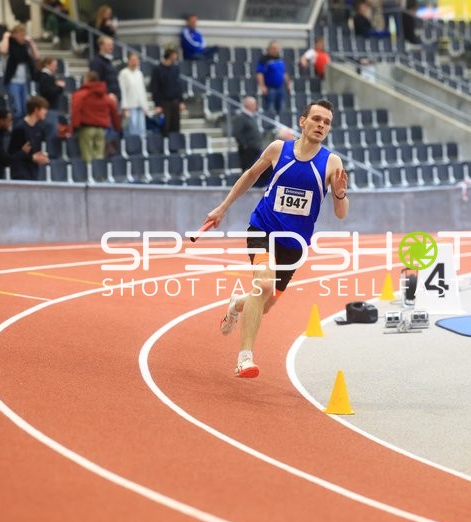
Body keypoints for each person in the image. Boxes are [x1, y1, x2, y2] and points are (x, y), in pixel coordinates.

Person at [205, 99, 349, 378]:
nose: (321, 125)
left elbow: (341, 213)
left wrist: (341, 194)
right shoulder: (278, 149)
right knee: (264, 285)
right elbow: (250, 175)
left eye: (327, 122)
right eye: (317, 119)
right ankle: (244, 358)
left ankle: (236, 304)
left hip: (294, 246)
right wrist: (222, 208)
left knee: (266, 303)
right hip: (263, 229)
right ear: (302, 121)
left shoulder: (331, 162)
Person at [70, 71, 122, 163]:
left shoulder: (81, 94)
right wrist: (117, 127)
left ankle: (89, 175)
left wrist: (74, 126)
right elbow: (114, 112)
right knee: (99, 155)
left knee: (87, 156)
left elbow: (75, 110)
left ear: (87, 80)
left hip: (86, 128)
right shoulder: (105, 96)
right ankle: (98, 175)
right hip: (101, 130)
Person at [0, 24, 39, 122]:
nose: (22, 37)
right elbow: (3, 50)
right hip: (13, 81)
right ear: (14, 35)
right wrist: (6, 37)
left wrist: (31, 42)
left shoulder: (24, 48)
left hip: (24, 82)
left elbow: (36, 56)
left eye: (23, 35)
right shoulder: (9, 45)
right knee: (17, 110)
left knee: (25, 109)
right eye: (20, 35)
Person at [8, 96, 51, 180]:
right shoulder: (20, 128)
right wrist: (31, 157)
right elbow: (12, 153)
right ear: (36, 109)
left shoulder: (40, 128)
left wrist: (41, 156)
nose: (46, 112)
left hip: (33, 170)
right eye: (44, 109)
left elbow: (36, 150)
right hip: (20, 172)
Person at [150, 47, 185, 136]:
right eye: (175, 55)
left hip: (175, 101)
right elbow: (155, 88)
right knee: (165, 127)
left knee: (175, 126)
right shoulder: (158, 69)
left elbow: (178, 86)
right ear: (170, 55)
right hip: (164, 102)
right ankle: (165, 147)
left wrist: (181, 101)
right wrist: (157, 104)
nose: (176, 57)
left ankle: (175, 147)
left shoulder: (175, 69)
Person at [256, 40, 292, 116]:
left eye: (277, 48)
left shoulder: (280, 59)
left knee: (282, 108)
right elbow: (259, 74)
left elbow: (284, 73)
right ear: (269, 48)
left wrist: (288, 84)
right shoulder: (264, 59)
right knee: (270, 109)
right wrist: (262, 86)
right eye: (273, 48)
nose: (275, 50)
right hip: (270, 88)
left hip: (280, 88)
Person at [118, 52, 149, 137]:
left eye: (136, 60)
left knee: (142, 130)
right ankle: (131, 148)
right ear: (128, 61)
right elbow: (123, 91)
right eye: (132, 60)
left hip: (140, 106)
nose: (135, 62)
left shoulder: (139, 73)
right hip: (130, 106)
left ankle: (141, 148)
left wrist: (145, 107)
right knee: (132, 130)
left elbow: (142, 91)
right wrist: (125, 108)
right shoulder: (123, 73)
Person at [34, 57, 65, 140]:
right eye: (54, 65)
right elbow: (48, 92)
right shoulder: (46, 77)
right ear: (47, 65)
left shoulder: (45, 77)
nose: (56, 68)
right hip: (49, 108)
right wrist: (59, 87)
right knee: (51, 135)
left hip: (48, 108)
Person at [89, 36, 121, 104]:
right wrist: (108, 94)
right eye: (108, 45)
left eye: (112, 45)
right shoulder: (96, 62)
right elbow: (96, 82)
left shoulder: (109, 61)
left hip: (114, 98)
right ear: (101, 46)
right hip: (105, 99)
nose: (111, 47)